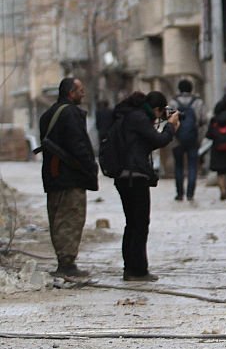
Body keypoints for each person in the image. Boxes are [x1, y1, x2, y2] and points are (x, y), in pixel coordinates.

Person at [112, 90, 179, 281]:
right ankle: (138, 270)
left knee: (131, 223)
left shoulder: (129, 117)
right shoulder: (139, 118)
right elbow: (158, 140)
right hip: (135, 176)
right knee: (140, 223)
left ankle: (130, 268)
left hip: (124, 176)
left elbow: (144, 144)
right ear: (157, 109)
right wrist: (171, 127)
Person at [39, 77, 99, 279]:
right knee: (70, 218)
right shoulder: (70, 114)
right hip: (69, 177)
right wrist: (91, 168)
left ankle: (63, 260)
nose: (83, 94)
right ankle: (66, 264)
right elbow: (78, 146)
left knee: (57, 218)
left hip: (53, 177)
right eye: (80, 90)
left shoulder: (48, 115)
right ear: (70, 93)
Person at [170, 78, 206, 203]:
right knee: (192, 166)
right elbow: (203, 121)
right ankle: (190, 194)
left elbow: (169, 121)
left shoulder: (173, 102)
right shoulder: (198, 102)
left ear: (179, 89)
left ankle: (180, 194)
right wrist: (200, 138)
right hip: (193, 139)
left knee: (178, 166)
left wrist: (172, 138)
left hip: (177, 140)